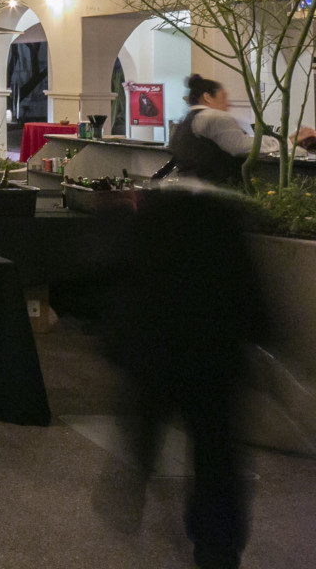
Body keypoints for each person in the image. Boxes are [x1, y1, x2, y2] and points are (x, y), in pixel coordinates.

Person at [98, 185, 270, 569]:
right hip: (215, 359)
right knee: (217, 454)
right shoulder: (225, 226)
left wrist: (117, 347)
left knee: (146, 421)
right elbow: (253, 299)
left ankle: (135, 474)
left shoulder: (152, 226)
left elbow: (118, 283)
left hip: (155, 353)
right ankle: (217, 545)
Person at [165, 74, 288, 185]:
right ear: (207, 97)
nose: (228, 104)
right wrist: (283, 142)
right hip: (217, 193)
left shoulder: (185, 121)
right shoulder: (213, 117)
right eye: (223, 97)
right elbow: (241, 146)